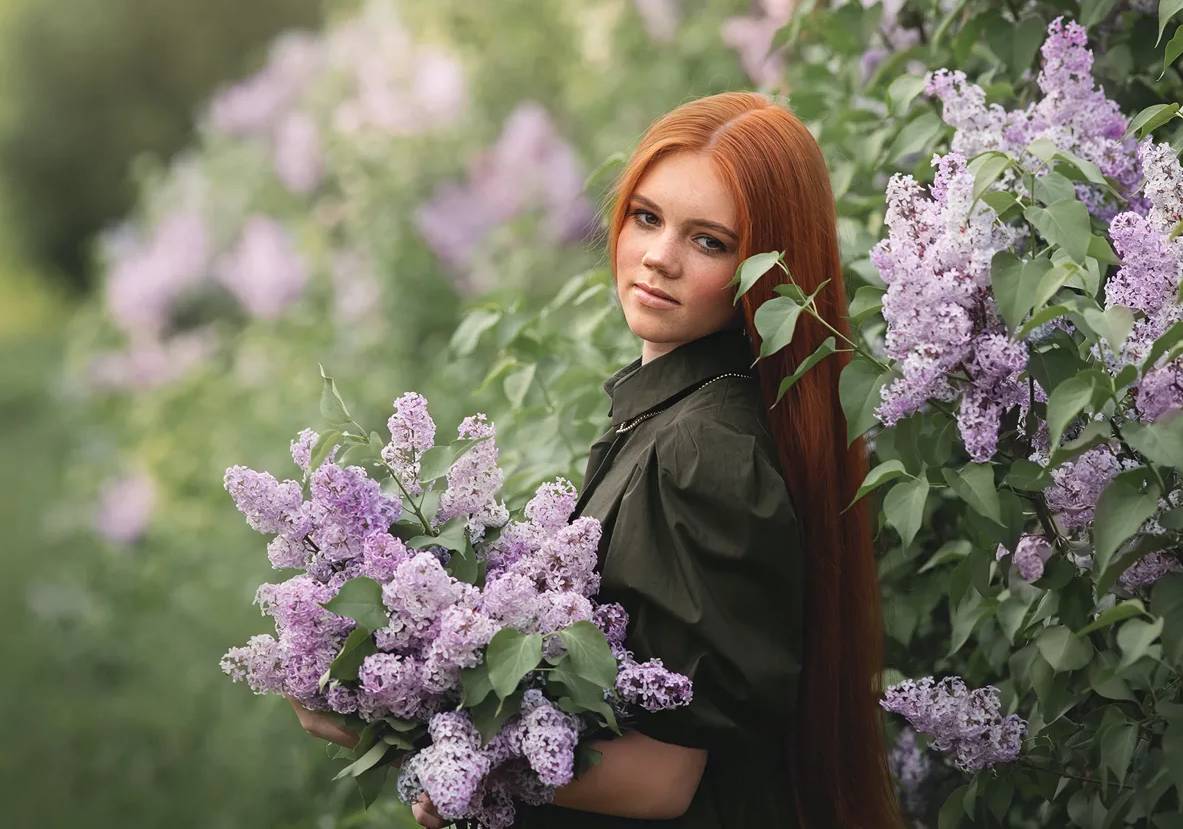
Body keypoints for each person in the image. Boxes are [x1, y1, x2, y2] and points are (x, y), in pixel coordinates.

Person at [296, 92, 903, 829]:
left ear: (765, 274)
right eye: (646, 217)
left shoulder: (704, 450)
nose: (658, 256)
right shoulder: (676, 416)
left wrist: (404, 733)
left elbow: (662, 778)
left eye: (709, 241)